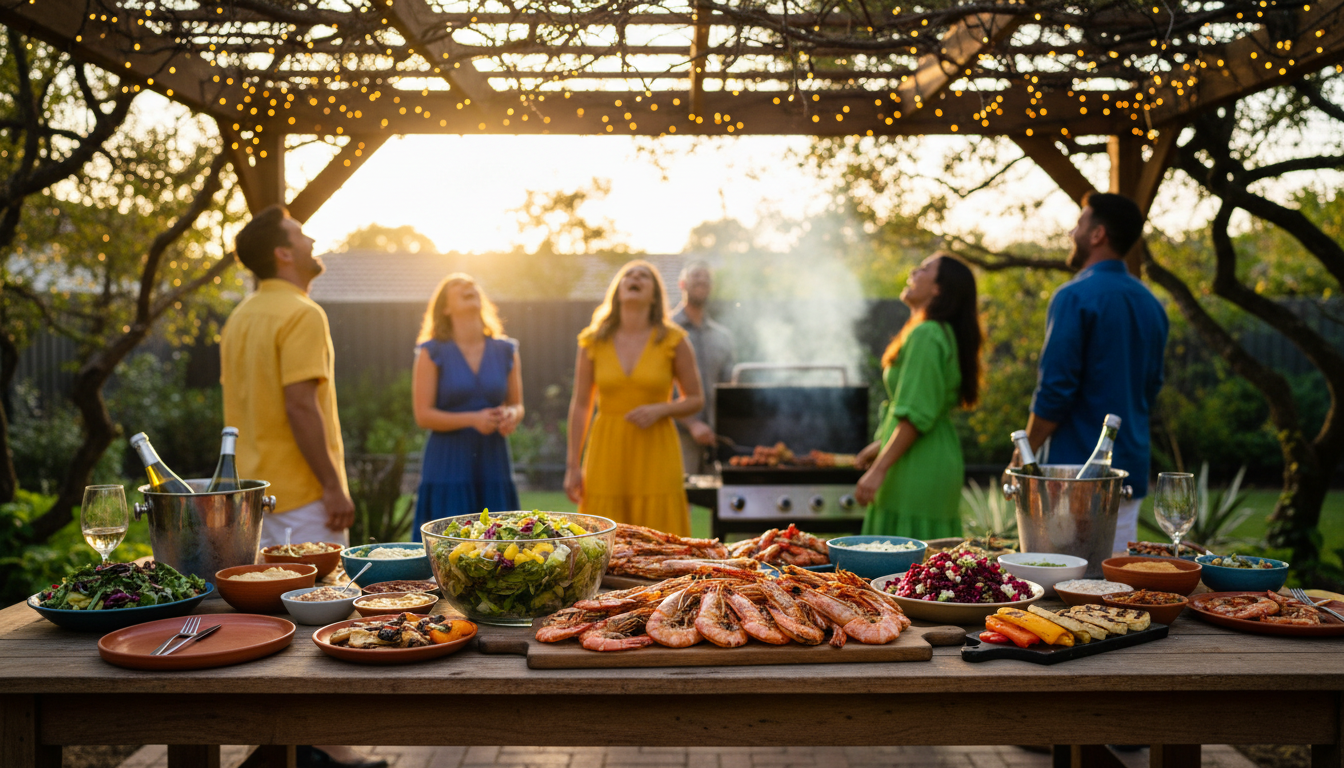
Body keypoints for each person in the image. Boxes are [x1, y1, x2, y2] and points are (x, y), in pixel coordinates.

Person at [221, 205, 384, 768]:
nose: (311, 239)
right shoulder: (302, 312)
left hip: (251, 501)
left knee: (270, 631)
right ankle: (327, 750)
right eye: (300, 233)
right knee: (326, 625)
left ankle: (279, 749)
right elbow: (299, 404)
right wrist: (333, 486)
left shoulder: (240, 317)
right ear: (283, 253)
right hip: (302, 499)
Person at [1017, 192, 1169, 553]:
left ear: (1098, 234)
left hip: (1073, 476)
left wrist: (1026, 450)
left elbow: (1055, 391)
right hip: (1129, 469)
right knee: (1115, 577)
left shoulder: (1074, 296)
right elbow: (1151, 388)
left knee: (1061, 579)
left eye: (1079, 224)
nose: (1072, 232)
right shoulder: (1152, 305)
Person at [564, 260, 705, 535]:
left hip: (657, 448)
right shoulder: (593, 341)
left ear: (654, 296)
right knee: (605, 537)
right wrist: (572, 466)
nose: (635, 278)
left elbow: (696, 399)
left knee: (660, 537)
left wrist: (660, 409)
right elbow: (580, 405)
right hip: (607, 448)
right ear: (618, 290)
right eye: (628, 274)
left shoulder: (674, 340)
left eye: (644, 276)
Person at [855, 253, 983, 539]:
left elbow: (915, 415)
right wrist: (880, 445)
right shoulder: (941, 332)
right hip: (931, 454)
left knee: (901, 555)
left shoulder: (926, 334)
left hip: (916, 465)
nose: (913, 272)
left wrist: (878, 470)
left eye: (924, 269)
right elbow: (926, 407)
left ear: (938, 288)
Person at [411, 274, 523, 539]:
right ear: (445, 308)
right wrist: (473, 419)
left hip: (493, 460)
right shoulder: (431, 352)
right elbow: (423, 415)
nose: (468, 286)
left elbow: (518, 404)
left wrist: (511, 415)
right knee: (447, 545)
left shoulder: (506, 350)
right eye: (458, 285)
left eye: (472, 284)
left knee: (499, 544)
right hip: (448, 463)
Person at [670, 260, 735, 475]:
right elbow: (656, 386)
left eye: (706, 278)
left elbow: (729, 388)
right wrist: (692, 424)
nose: (702, 280)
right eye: (695, 276)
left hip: (715, 437)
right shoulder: (665, 331)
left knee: (719, 495)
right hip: (676, 436)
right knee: (680, 494)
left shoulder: (722, 337)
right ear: (682, 284)